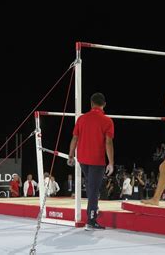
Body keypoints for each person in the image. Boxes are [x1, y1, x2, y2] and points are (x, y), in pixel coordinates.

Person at [68, 92, 114, 230]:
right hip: (96, 160)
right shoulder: (107, 121)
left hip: (82, 159)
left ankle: (92, 212)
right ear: (104, 104)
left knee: (90, 186)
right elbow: (109, 142)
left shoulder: (81, 119)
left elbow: (75, 138)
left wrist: (71, 155)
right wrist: (111, 162)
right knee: (93, 189)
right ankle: (91, 219)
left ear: (91, 104)